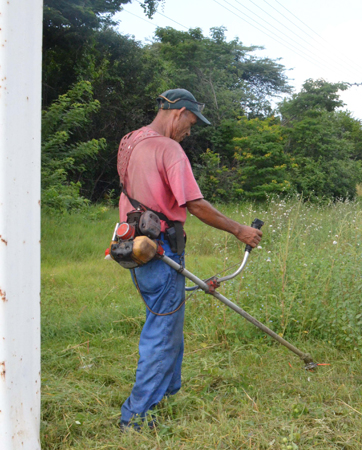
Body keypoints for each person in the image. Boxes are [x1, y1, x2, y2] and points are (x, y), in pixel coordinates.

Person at [116, 88, 262, 430]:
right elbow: (194, 204)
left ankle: (162, 394)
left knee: (166, 322)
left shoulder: (130, 142)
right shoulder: (169, 148)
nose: (190, 130)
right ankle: (135, 418)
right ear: (179, 112)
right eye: (191, 122)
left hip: (136, 247)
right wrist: (240, 230)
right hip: (161, 248)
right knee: (161, 332)